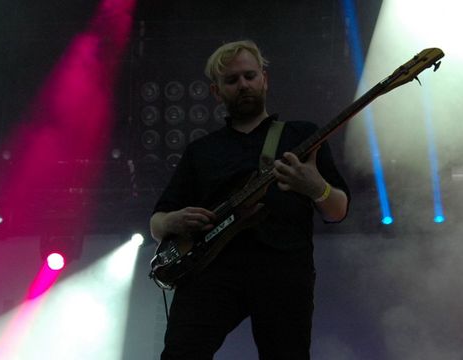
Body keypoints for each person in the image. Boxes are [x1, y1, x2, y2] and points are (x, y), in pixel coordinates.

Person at [149, 40, 350, 359]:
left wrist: (316, 188)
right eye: (231, 80)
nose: (243, 84)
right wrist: (172, 221)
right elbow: (157, 222)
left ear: (264, 80)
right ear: (216, 92)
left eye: (249, 76)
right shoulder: (201, 150)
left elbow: (338, 211)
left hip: (283, 269)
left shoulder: (301, 135)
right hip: (211, 270)